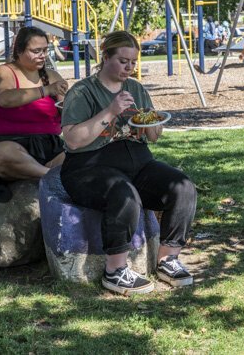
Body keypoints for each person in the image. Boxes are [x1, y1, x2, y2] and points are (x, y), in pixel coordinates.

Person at [60, 31, 197, 294]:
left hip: (138, 163)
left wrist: (152, 123)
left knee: (183, 187)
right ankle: (115, 271)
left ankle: (168, 259)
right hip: (88, 167)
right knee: (124, 194)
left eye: (133, 62)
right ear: (105, 56)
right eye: (123, 61)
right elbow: (74, 140)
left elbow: (153, 137)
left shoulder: (136, 88)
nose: (129, 67)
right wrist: (111, 111)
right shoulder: (83, 91)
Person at [0, 27, 69, 202]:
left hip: (50, 146)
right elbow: (5, 99)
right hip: (10, 144)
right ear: (19, 51)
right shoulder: (3, 72)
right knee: (0, 154)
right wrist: (46, 90)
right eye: (36, 51)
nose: (42, 55)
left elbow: (67, 115)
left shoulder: (52, 76)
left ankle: (46, 173)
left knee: (80, 154)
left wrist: (71, 105)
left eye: (45, 50)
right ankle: (50, 175)